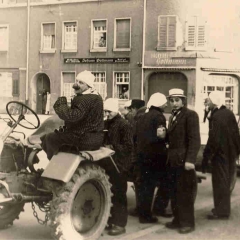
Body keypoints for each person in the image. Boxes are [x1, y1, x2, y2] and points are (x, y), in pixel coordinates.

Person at [40, 70, 104, 160]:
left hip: (84, 139)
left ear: (88, 86)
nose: (76, 84)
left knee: (50, 138)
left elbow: (72, 116)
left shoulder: (86, 99)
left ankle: (57, 164)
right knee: (50, 137)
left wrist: (61, 102)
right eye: (77, 81)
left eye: (81, 83)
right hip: (93, 138)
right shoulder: (95, 97)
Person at [165, 88, 200, 234]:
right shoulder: (173, 116)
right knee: (174, 192)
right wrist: (164, 136)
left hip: (184, 160)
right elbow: (173, 138)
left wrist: (190, 160)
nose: (174, 103)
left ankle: (187, 223)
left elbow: (194, 139)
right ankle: (177, 220)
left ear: (183, 101)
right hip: (173, 160)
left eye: (177, 100)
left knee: (184, 193)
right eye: (171, 100)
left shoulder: (190, 115)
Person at [98, 98, 134, 236]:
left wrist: (112, 147)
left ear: (115, 110)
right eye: (105, 111)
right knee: (110, 193)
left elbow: (129, 146)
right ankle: (110, 220)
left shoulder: (124, 124)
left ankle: (119, 224)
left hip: (119, 165)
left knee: (119, 194)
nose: (107, 114)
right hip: (109, 163)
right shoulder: (107, 123)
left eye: (109, 111)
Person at [202, 91, 240, 220]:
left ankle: (221, 212)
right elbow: (236, 134)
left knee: (219, 183)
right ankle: (221, 209)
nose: (206, 103)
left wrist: (207, 155)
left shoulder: (216, 116)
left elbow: (214, 139)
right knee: (225, 181)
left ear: (214, 101)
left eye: (208, 101)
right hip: (230, 153)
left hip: (220, 154)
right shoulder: (228, 113)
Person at [135, 93, 168, 223]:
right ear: (159, 103)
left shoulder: (144, 116)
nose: (166, 104)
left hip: (142, 155)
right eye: (165, 102)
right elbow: (161, 135)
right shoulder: (159, 117)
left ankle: (142, 212)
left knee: (144, 186)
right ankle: (147, 215)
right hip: (155, 155)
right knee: (151, 185)